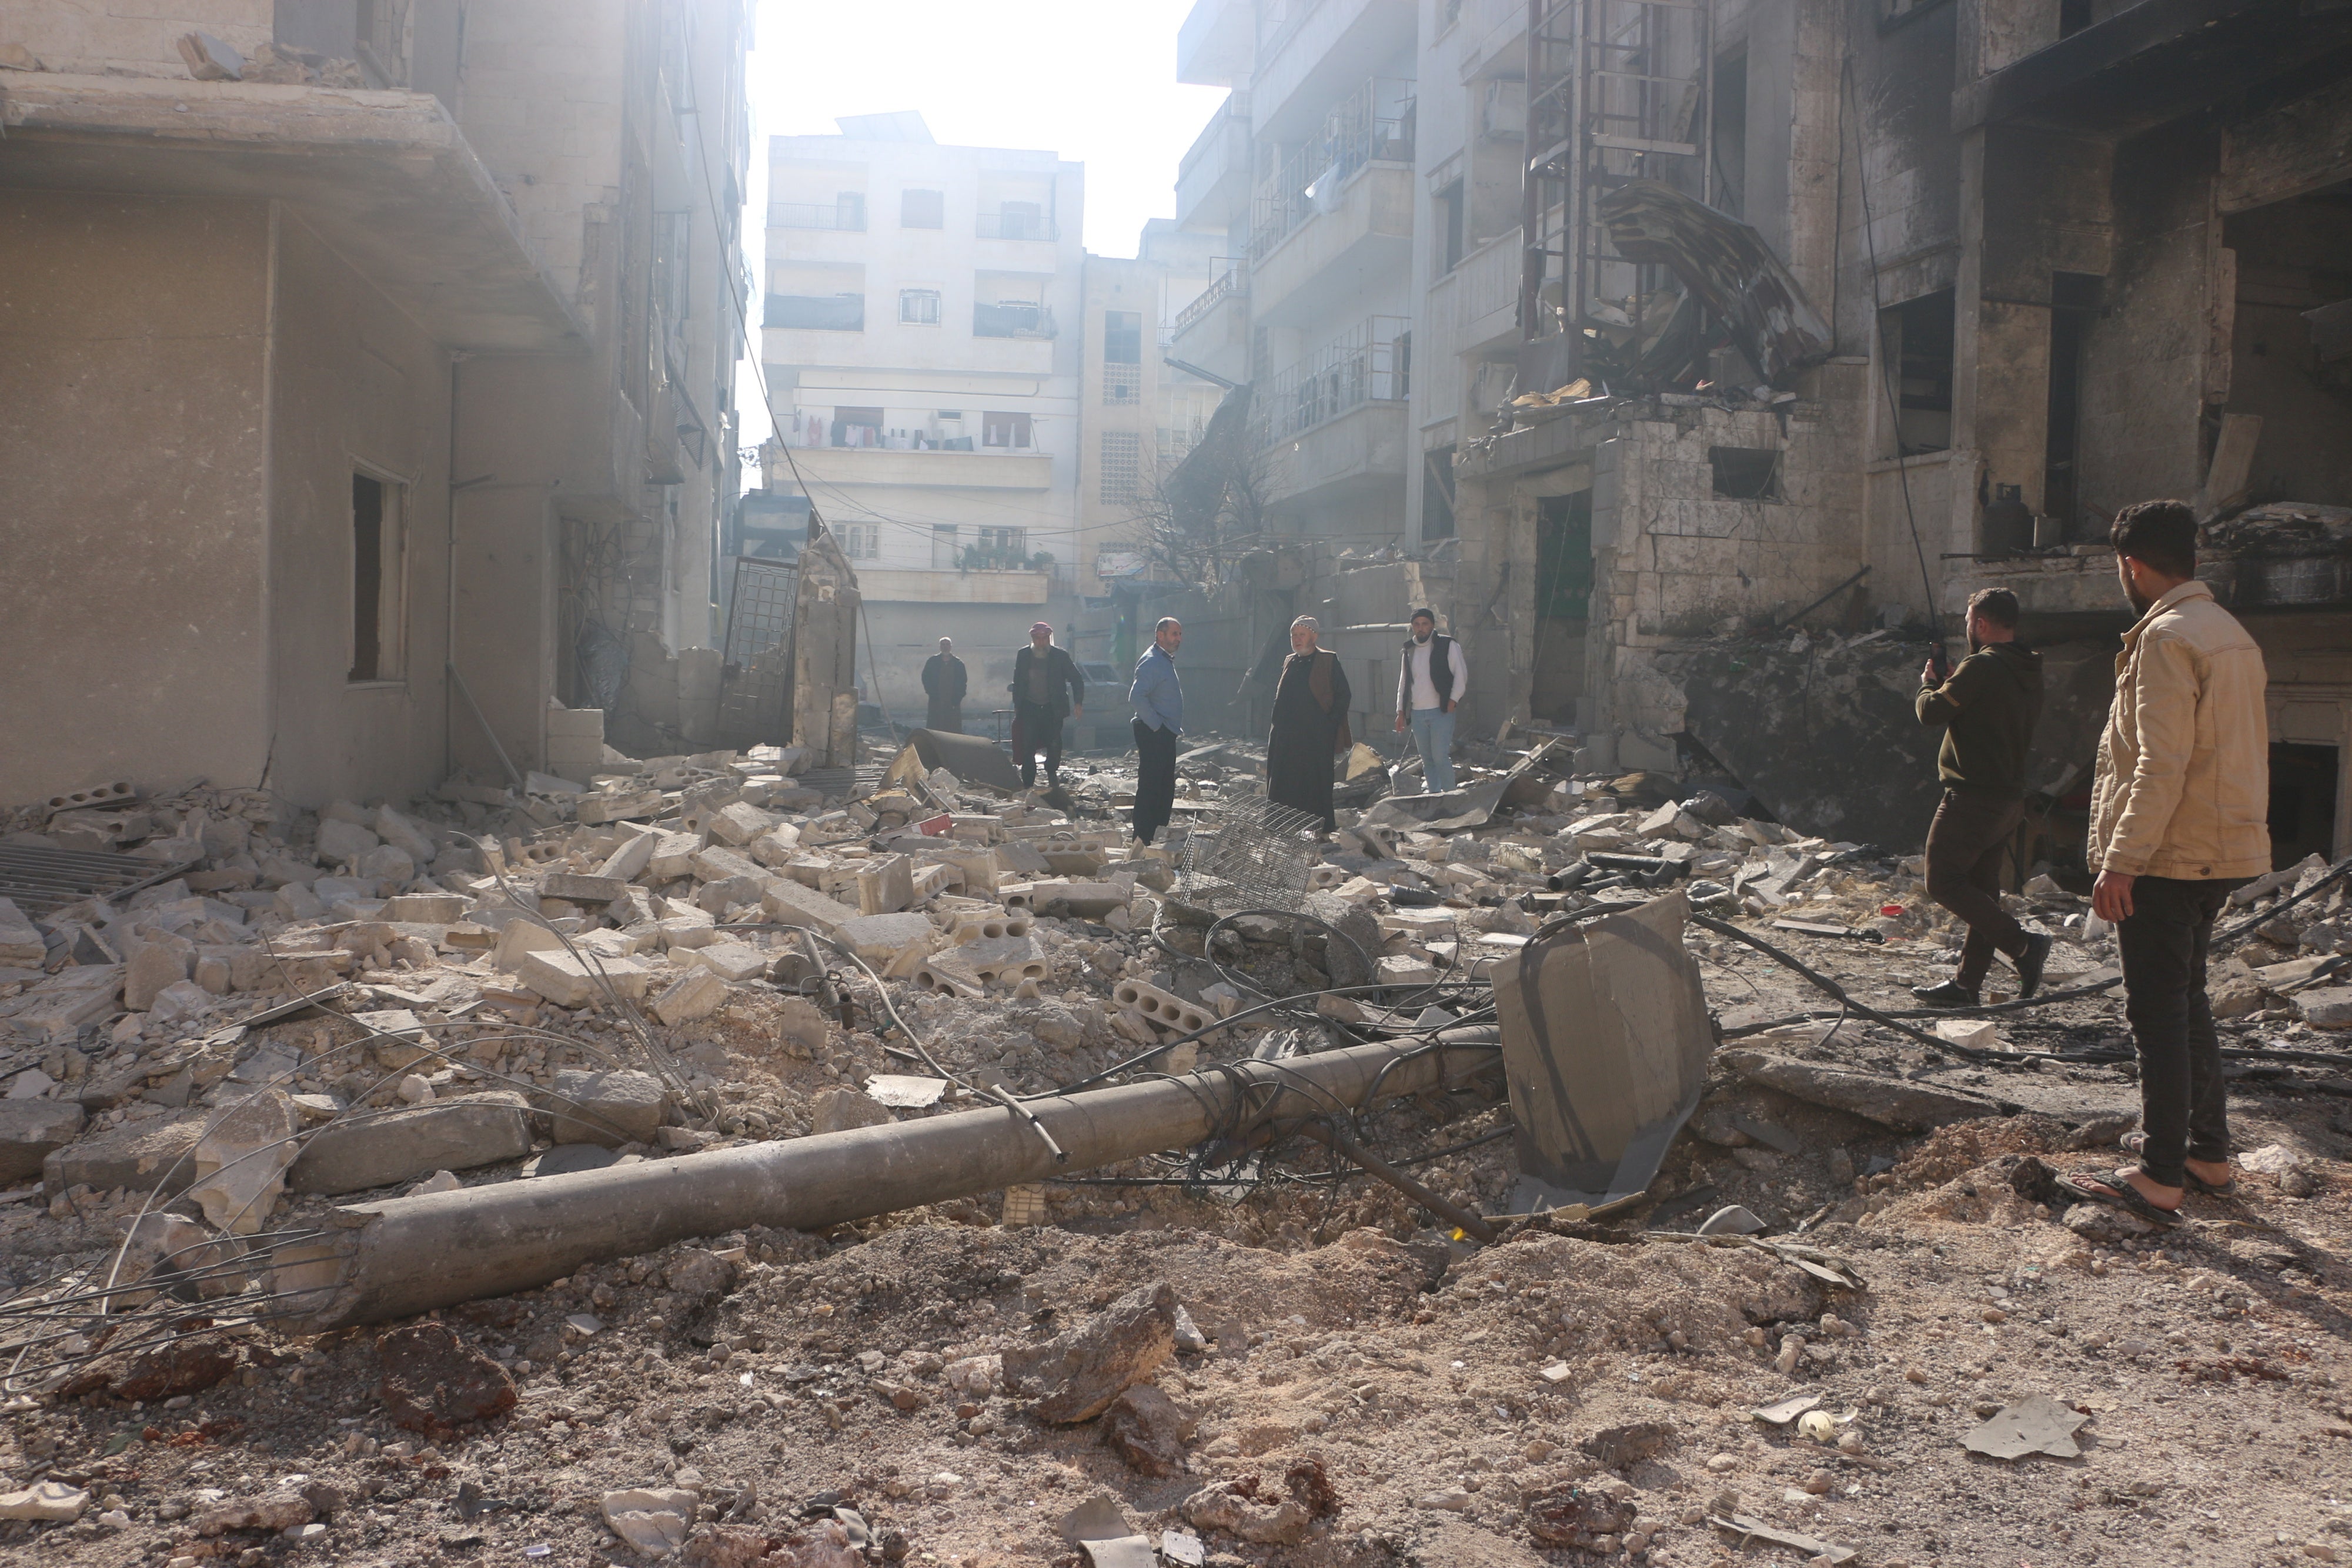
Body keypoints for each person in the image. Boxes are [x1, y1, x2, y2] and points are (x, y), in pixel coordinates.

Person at [2060, 500, 2271, 1228]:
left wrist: (2120, 862)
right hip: (2217, 851)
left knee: (2156, 1012)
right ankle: (2207, 1156)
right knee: (2187, 1001)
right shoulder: (2229, 633)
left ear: (2132, 565)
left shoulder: (2166, 638)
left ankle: (2157, 1177)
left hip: (2168, 853)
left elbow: (2159, 763)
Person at [1909, 587, 2053, 1007]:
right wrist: (1956, 682)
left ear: (1982, 624)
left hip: (1973, 796)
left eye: (1970, 621)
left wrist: (1928, 685)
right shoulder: (2026, 666)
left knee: (1942, 879)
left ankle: (2024, 946)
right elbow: (1982, 707)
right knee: (1983, 890)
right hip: (2009, 798)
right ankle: (1967, 985)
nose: (1968, 628)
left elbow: (1931, 712)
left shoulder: (1982, 665)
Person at [1266, 616, 1352, 830]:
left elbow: (1344, 695)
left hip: (1316, 735)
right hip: (1287, 734)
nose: (1296, 639)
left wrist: (1329, 724)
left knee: (1315, 781)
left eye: (1301, 635)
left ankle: (1317, 827)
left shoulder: (1328, 660)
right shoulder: (1290, 660)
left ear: (1314, 637)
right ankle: (1283, 825)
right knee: (1284, 780)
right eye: (1293, 635)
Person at [1394, 607, 1467, 793]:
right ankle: (1434, 796)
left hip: (1441, 711)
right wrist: (1401, 712)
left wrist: (1453, 700)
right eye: (1417, 625)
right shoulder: (1409, 650)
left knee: (1440, 756)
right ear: (1413, 627)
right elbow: (1404, 683)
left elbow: (1461, 675)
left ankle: (1451, 796)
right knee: (1427, 759)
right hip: (1418, 713)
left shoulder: (1448, 645)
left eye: (1425, 624)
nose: (1421, 628)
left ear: (1432, 625)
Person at [1128, 617, 1184, 845]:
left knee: (1163, 787)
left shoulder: (1163, 660)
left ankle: (1157, 835)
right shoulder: (1152, 661)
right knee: (1151, 787)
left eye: (1180, 634)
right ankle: (1142, 839)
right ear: (1160, 635)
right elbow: (1136, 697)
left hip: (1163, 732)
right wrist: (1157, 726)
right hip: (1155, 733)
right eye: (1174, 634)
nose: (1178, 639)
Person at [1008, 621, 1083, 790]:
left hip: (1052, 708)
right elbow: (1018, 681)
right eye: (1038, 638)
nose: (1041, 642)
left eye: (1044, 638)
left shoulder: (1060, 656)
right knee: (1028, 746)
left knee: (1054, 744)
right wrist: (1017, 703)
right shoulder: (1024, 655)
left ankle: (1051, 775)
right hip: (1030, 708)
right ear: (1033, 638)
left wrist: (1078, 702)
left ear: (1049, 638)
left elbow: (1077, 679)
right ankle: (1027, 784)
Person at [921, 637, 967, 734]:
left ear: (951, 646)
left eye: (947, 644)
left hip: (953, 700)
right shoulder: (932, 662)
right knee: (935, 724)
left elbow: (963, 682)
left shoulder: (958, 663)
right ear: (940, 647)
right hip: (936, 699)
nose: (945, 647)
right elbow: (926, 678)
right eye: (943, 644)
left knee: (953, 725)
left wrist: (958, 697)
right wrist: (931, 693)